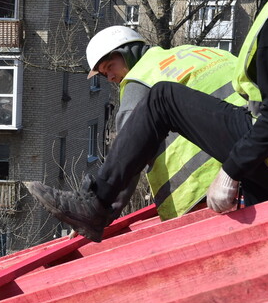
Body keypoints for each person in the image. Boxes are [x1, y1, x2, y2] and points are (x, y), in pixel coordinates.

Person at [26, 0, 268, 242]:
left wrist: (232, 169)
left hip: (263, 164)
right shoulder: (195, 52)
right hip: (262, 161)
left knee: (163, 98)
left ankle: (93, 207)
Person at [85, 25, 243, 220]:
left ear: (127, 53)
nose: (110, 78)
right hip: (264, 158)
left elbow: (128, 156)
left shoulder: (139, 81)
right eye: (103, 74)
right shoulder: (199, 52)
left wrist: (99, 210)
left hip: (206, 190)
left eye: (110, 67)